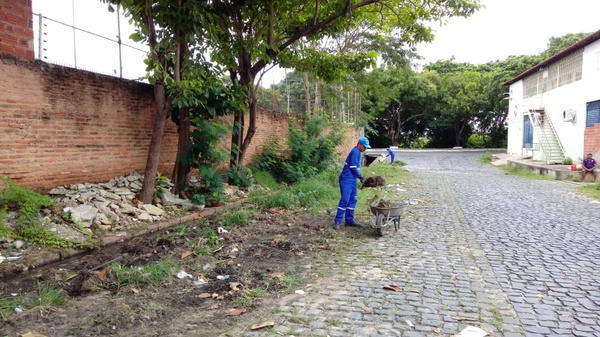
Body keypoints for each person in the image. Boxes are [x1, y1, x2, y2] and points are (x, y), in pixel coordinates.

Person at [333, 137, 370, 229]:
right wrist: (361, 177)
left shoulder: (359, 153)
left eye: (366, 147)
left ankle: (349, 220)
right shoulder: (355, 152)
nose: (365, 149)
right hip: (346, 180)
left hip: (352, 180)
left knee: (353, 199)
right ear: (359, 144)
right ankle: (337, 221)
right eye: (364, 147)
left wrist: (359, 177)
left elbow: (355, 168)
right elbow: (353, 167)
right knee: (345, 200)